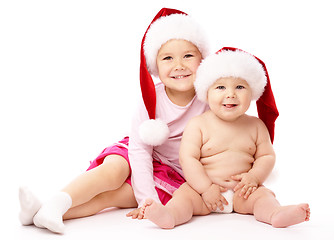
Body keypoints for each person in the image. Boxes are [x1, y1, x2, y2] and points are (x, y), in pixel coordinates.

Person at [18, 8, 210, 234]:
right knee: (113, 173)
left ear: (203, 59)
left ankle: (42, 213)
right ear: (154, 65)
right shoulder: (151, 100)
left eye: (188, 56)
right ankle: (58, 201)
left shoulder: (209, 100)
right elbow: (139, 150)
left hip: (171, 171)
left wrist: (146, 202)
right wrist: (145, 196)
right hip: (137, 152)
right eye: (168, 58)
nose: (179, 65)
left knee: (114, 197)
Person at [141, 47, 310, 229]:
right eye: (220, 87)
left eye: (240, 86)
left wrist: (253, 177)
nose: (230, 94)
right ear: (206, 92)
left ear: (252, 92)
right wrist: (205, 188)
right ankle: (170, 215)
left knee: (263, 197)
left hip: (243, 192)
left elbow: (267, 156)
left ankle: (275, 214)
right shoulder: (198, 124)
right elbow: (188, 159)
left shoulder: (256, 126)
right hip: (203, 193)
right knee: (183, 197)